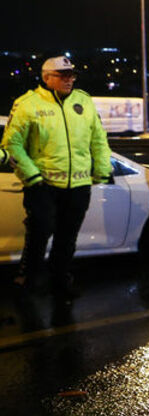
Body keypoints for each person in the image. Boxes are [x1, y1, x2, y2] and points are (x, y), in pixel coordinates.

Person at [1, 56, 112, 297]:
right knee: (39, 234)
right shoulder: (27, 104)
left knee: (67, 237)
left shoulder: (84, 101)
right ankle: (27, 279)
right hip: (44, 185)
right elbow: (12, 145)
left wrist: (102, 171)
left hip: (79, 185)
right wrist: (33, 178)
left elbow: (98, 139)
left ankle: (60, 282)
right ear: (46, 77)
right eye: (63, 76)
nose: (70, 80)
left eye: (72, 75)